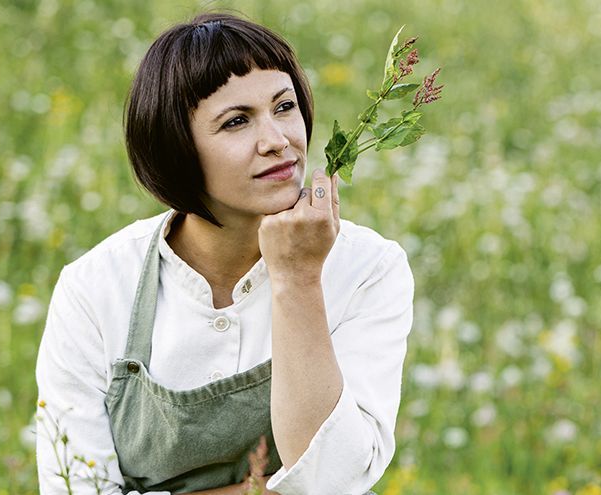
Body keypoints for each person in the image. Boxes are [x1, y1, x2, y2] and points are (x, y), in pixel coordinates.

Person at [34, 12, 414, 495]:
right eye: (236, 122)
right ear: (176, 147)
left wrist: (297, 279)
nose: (278, 142)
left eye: (284, 107)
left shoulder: (367, 268)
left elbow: (336, 479)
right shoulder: (96, 288)